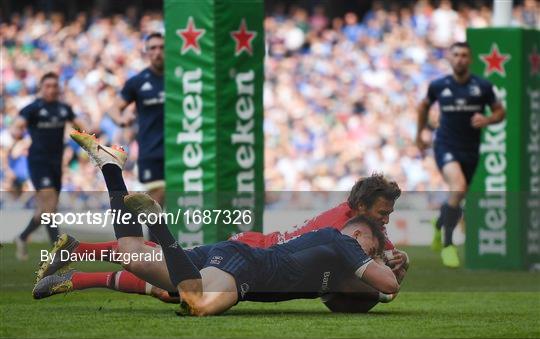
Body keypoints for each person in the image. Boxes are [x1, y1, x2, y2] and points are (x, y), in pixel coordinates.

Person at [33, 131, 399, 315]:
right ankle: (157, 224)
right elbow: (386, 285)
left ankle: (110, 167)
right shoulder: (344, 239)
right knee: (194, 301)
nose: (383, 237)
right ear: (360, 222)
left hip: (237, 255)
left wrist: (388, 267)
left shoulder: (342, 247)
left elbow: (353, 298)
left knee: (132, 255)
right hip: (246, 263)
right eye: (381, 226)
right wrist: (391, 267)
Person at [416, 41, 505, 268]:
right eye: (456, 55)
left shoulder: (483, 86)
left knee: (458, 195)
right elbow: (423, 106)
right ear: (450, 58)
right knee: (459, 187)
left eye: (464, 55)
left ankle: (439, 224)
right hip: (445, 144)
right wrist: (420, 133)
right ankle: (448, 245)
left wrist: (487, 120)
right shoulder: (438, 85)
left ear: (470, 59)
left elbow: (500, 112)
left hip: (470, 149)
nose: (460, 59)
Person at [10, 72, 86, 260]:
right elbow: (17, 125)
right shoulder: (32, 109)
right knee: (50, 207)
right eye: (48, 86)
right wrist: (16, 132)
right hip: (38, 162)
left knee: (46, 209)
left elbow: (82, 127)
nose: (52, 89)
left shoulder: (63, 109)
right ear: (41, 88)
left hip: (56, 163)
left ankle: (22, 237)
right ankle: (59, 249)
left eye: (55, 85)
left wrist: (88, 135)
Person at [107, 32, 165, 223]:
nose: (157, 52)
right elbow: (114, 108)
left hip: (182, 151)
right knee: (156, 203)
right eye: (153, 48)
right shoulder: (138, 82)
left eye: (162, 47)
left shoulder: (183, 80)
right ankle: (155, 248)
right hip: (151, 152)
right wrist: (123, 120)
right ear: (146, 52)